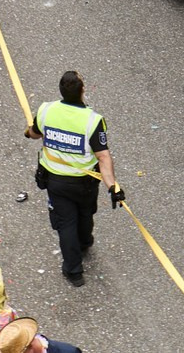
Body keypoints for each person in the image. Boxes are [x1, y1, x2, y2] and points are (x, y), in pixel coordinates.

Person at [25, 69, 122, 288]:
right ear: (82, 91)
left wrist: (27, 132)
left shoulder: (46, 110)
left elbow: (34, 133)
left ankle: (74, 271)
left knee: (66, 223)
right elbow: (103, 156)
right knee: (85, 213)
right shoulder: (92, 121)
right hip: (85, 182)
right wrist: (113, 187)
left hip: (56, 181)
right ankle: (85, 242)